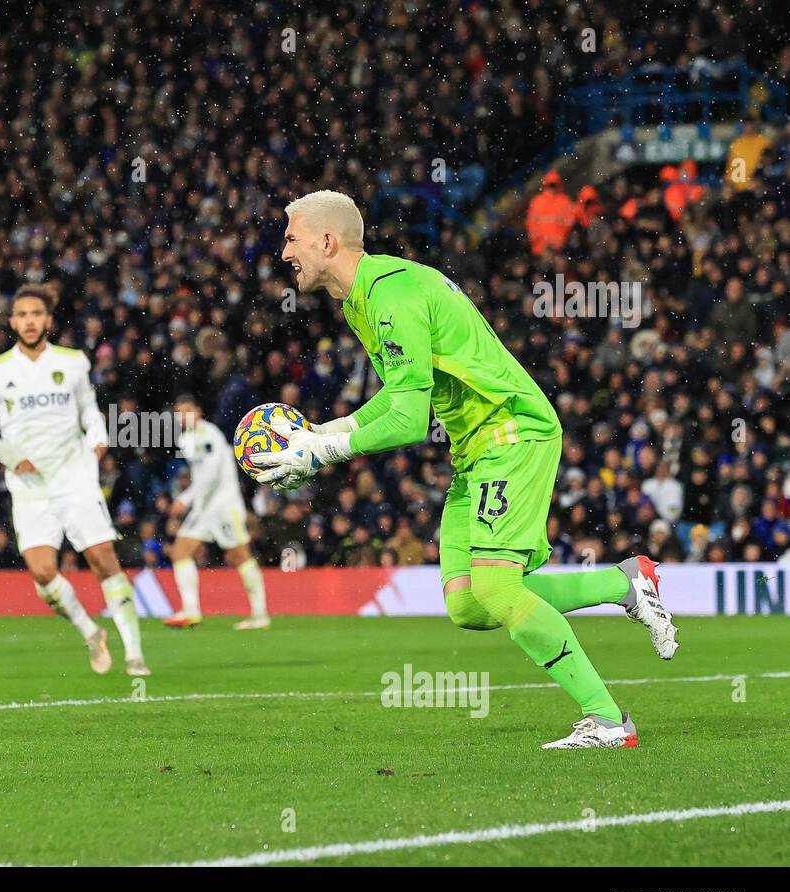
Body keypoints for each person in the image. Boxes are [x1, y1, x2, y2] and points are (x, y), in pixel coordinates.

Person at [259, 189, 680, 750]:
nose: (283, 250)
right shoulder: (364, 297)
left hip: (512, 431)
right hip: (475, 450)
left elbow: (410, 421)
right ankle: (624, 582)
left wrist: (324, 454)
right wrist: (325, 433)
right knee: (468, 602)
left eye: (292, 237)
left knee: (498, 588)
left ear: (327, 240)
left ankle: (607, 720)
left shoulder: (392, 294)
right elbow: (400, 395)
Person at [0, 283, 149, 676]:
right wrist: (12, 458)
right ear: (12, 321)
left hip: (74, 476)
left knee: (103, 558)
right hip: (29, 486)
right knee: (41, 572)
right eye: (22, 315)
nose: (30, 321)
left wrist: (99, 438)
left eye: (37, 314)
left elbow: (89, 411)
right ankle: (90, 632)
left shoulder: (72, 362)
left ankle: (135, 653)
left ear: (48, 319)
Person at [163, 395, 270, 630]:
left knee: (238, 555)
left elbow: (211, 474)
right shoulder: (186, 438)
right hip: (204, 508)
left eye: (187, 410)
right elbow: (201, 476)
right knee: (180, 552)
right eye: (179, 413)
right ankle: (191, 611)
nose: (183, 416)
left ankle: (260, 615)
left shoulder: (209, 434)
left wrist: (185, 498)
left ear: (198, 411)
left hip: (223, 505)